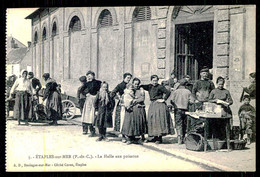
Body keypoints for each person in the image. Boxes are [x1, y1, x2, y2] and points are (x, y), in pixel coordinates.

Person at [140, 75, 175, 144]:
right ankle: (154, 137)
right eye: (153, 80)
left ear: (158, 80)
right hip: (153, 104)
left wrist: (163, 99)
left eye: (156, 80)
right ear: (151, 80)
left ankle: (159, 138)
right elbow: (141, 86)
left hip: (159, 105)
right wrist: (141, 88)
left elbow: (168, 92)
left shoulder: (160, 87)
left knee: (158, 120)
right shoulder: (149, 86)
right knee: (152, 120)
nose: (154, 82)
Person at [170, 79, 194, 144]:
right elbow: (192, 101)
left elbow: (171, 100)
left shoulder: (175, 91)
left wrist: (174, 105)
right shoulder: (188, 91)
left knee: (178, 124)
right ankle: (183, 137)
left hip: (177, 109)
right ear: (186, 84)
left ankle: (179, 138)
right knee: (184, 124)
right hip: (185, 109)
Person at [110, 73, 132, 142]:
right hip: (122, 105)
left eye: (130, 78)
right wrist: (119, 98)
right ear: (124, 78)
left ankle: (129, 135)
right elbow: (112, 93)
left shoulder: (130, 86)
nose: (129, 79)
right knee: (122, 120)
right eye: (128, 78)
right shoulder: (120, 85)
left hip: (129, 105)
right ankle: (123, 136)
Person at [81, 71, 102, 137]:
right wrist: (86, 94)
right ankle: (92, 131)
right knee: (89, 116)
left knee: (96, 115)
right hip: (89, 100)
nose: (89, 77)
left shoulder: (98, 82)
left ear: (93, 76)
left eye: (90, 76)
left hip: (96, 99)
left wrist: (98, 95)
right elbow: (81, 90)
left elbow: (101, 90)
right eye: (88, 76)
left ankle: (100, 132)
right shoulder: (86, 84)